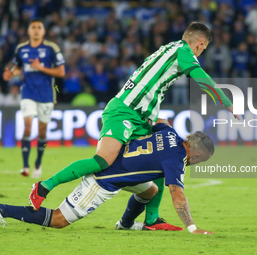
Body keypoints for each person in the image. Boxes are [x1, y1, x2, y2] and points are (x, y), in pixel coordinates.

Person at [28, 22, 240, 229]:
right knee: (103, 160)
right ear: (200, 44)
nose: (201, 53)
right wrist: (227, 103)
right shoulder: (183, 52)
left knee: (163, 157)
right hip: (125, 111)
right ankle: (44, 186)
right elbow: (201, 78)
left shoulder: (170, 47)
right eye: (204, 48)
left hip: (141, 116)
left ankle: (151, 219)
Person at [1, 122, 214, 235]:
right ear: (195, 154)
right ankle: (3, 210)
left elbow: (159, 121)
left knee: (150, 190)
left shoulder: (169, 133)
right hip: (103, 181)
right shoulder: (177, 160)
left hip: (113, 158)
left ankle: (125, 224)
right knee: (59, 220)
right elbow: (177, 194)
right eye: (200, 160)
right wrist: (192, 227)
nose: (197, 162)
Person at [2, 18, 65, 178]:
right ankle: (25, 165)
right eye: (33, 27)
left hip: (46, 95)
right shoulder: (21, 49)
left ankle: (38, 162)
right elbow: (19, 69)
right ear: (29, 31)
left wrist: (41, 67)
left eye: (39, 27)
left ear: (43, 31)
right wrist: (10, 73)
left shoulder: (51, 48)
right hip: (28, 93)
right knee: (28, 126)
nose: (36, 30)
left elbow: (61, 72)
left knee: (42, 132)